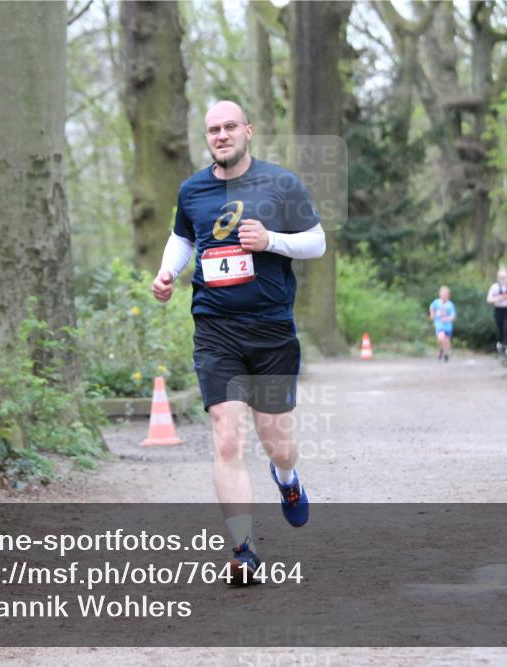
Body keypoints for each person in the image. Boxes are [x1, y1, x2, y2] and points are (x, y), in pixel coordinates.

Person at [151, 100, 326, 584]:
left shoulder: (281, 183)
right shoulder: (192, 189)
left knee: (279, 443)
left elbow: (316, 241)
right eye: (213, 129)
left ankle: (286, 481)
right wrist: (167, 272)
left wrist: (271, 240)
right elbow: (182, 238)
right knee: (226, 436)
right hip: (216, 329)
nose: (221, 135)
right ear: (206, 137)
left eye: (230, 127)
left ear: (248, 130)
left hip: (271, 331)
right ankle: (243, 549)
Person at [486, 268, 507, 356]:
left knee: (506, 329)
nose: (502, 279)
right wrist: (499, 298)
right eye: (501, 277)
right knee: (500, 330)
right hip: (498, 310)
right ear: (498, 278)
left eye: (504, 277)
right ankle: (500, 346)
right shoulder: (495, 287)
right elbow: (489, 299)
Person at [429, 286, 455, 362]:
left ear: (448, 295)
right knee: (441, 338)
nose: (443, 296)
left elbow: (453, 315)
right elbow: (431, 306)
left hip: (447, 325)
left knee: (447, 340)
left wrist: (448, 318)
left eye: (445, 294)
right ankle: (441, 349)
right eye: (442, 294)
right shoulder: (436, 302)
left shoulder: (450, 304)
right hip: (439, 323)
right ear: (440, 295)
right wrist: (432, 314)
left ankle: (446, 353)